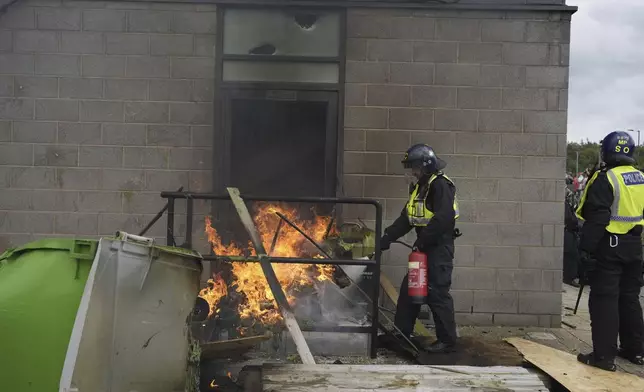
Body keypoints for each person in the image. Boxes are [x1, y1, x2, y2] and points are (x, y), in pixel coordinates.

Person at [380, 144, 459, 354]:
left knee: (437, 293)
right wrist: (387, 237)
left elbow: (444, 218)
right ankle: (402, 333)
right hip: (423, 247)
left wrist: (423, 240)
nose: (411, 172)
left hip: (438, 248)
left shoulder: (440, 186)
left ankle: (448, 341)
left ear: (426, 166)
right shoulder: (418, 189)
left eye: (413, 167)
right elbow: (406, 219)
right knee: (409, 291)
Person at [575, 131, 644, 371]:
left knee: (605, 300)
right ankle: (635, 351)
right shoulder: (640, 177)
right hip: (635, 246)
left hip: (610, 246)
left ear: (606, 151)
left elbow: (597, 217)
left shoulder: (606, 178)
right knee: (630, 298)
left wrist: (585, 250)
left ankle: (603, 357)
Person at [563, 189, 581, 287]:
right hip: (568, 231)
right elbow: (570, 219)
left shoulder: (566, 204)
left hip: (570, 230)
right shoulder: (564, 204)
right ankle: (569, 277)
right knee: (572, 254)